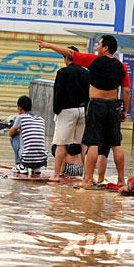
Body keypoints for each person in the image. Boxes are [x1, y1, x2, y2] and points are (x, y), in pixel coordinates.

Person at [37, 35, 130, 187]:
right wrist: (125, 110)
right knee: (116, 144)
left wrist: (49, 45)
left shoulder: (94, 60)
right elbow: (126, 91)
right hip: (113, 106)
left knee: (93, 143)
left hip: (96, 105)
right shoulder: (122, 66)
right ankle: (121, 180)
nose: (97, 47)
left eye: (99, 44)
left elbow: (70, 53)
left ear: (105, 47)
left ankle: (87, 180)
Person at [50, 46, 90, 182]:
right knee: (84, 144)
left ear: (66, 58)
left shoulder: (62, 72)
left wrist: (56, 110)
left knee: (60, 143)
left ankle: (56, 175)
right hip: (83, 111)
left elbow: (58, 92)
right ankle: (87, 176)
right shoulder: (86, 73)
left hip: (67, 111)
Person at [9, 95, 48, 175]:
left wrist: (19, 131)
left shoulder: (21, 117)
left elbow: (10, 133)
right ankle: (36, 169)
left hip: (27, 160)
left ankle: (21, 165)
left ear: (19, 108)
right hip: (42, 160)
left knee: (13, 137)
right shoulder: (41, 119)